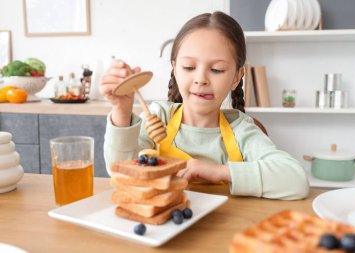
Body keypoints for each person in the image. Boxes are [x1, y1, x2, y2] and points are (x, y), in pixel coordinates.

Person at [100, 11, 309, 200]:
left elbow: (296, 180)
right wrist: (121, 110)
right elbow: (119, 170)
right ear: (175, 69)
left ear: (237, 77)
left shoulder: (242, 130)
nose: (201, 79)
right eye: (189, 67)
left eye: (217, 69)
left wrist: (219, 171)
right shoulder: (158, 116)